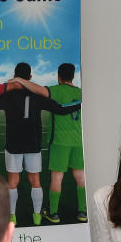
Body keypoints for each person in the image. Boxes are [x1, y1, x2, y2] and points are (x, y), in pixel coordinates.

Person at [0, 62, 81, 226]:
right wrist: (81, 102)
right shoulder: (38, 95)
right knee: (35, 181)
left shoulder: (8, 95)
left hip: (14, 144)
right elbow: (61, 109)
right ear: (30, 77)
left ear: (15, 76)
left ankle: (12, 216)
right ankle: (37, 215)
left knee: (12, 181)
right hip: (33, 143)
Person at [43, 62, 86, 224]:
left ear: (59, 76)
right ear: (73, 76)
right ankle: (82, 212)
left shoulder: (55, 90)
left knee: (57, 177)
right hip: (78, 141)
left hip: (60, 141)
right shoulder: (81, 93)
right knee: (80, 177)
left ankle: (53, 213)